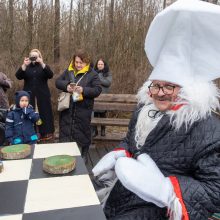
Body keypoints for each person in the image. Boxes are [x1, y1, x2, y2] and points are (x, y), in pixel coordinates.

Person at [92, 1, 220, 220]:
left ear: (187, 90)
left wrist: (165, 191)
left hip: (159, 211)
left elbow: (214, 189)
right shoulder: (144, 110)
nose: (160, 93)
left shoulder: (207, 129)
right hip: (121, 195)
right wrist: (120, 153)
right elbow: (131, 142)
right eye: (156, 85)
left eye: (169, 86)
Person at [55, 49, 102, 162]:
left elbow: (97, 90)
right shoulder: (69, 71)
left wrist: (83, 90)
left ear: (87, 62)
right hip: (68, 108)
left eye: (81, 62)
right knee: (66, 130)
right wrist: (66, 86)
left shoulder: (92, 74)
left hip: (83, 108)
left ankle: (84, 153)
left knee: (83, 131)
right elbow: (57, 82)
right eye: (76, 62)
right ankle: (66, 153)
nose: (78, 65)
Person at [15, 49, 54, 141]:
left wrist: (42, 63)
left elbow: (50, 75)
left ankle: (45, 133)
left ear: (39, 57)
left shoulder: (43, 66)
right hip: (29, 96)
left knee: (43, 113)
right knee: (30, 113)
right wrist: (24, 65)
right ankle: (32, 133)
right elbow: (18, 76)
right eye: (32, 56)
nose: (34, 58)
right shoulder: (26, 67)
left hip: (42, 95)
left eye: (36, 56)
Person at [92, 58, 112, 137]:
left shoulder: (108, 73)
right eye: (98, 64)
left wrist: (99, 76)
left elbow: (107, 83)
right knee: (95, 114)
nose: (100, 66)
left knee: (103, 114)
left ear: (104, 65)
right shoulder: (93, 73)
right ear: (97, 65)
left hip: (104, 97)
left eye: (101, 64)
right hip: (95, 96)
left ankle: (103, 129)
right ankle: (95, 130)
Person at [0, 72, 12, 146]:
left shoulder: (1, 74)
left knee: (5, 125)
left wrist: (2, 81)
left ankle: (6, 143)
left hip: (3, 105)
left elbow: (9, 84)